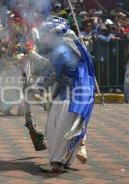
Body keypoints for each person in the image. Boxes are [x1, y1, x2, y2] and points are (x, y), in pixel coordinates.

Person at [39, 16, 95, 172]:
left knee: (56, 131)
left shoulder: (61, 50)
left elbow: (51, 74)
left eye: (46, 34)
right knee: (61, 130)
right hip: (75, 96)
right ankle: (63, 160)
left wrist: (36, 87)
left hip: (68, 99)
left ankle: (57, 162)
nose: (45, 37)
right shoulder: (70, 46)